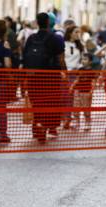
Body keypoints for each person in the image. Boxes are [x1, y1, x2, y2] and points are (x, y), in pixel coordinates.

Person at [22, 12, 66, 143]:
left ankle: (37, 127)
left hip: (34, 78)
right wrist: (65, 73)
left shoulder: (31, 38)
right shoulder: (56, 38)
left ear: (37, 22)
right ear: (48, 22)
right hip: (50, 78)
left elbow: (25, 57)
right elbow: (61, 59)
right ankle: (45, 128)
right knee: (49, 103)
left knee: (37, 103)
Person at [64, 25, 84, 129]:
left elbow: (81, 61)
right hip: (64, 74)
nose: (78, 34)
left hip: (75, 74)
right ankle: (65, 118)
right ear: (70, 33)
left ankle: (70, 119)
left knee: (73, 98)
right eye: (76, 32)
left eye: (79, 32)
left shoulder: (80, 46)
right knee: (64, 97)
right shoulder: (63, 44)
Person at [70, 53, 95, 131]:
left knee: (86, 109)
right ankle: (76, 123)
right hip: (77, 91)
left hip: (86, 92)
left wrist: (92, 90)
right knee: (75, 108)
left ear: (90, 61)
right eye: (82, 59)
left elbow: (93, 82)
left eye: (85, 59)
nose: (83, 61)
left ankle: (88, 124)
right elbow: (77, 79)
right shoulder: (80, 69)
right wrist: (72, 86)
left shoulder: (92, 71)